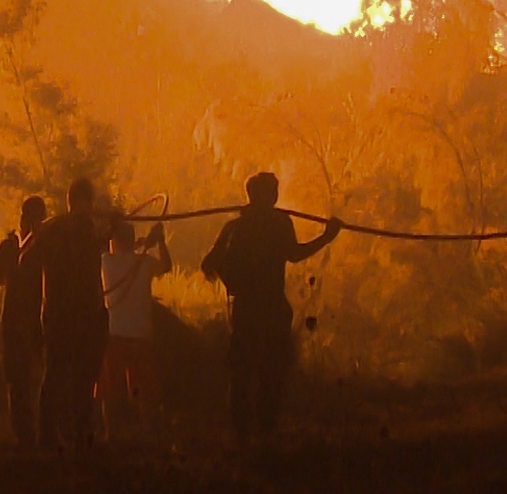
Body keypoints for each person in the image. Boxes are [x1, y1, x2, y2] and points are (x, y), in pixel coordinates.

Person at [201, 172, 342, 442]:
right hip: (273, 307)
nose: (276, 196)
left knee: (243, 370)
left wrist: (231, 280)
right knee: (271, 369)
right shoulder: (279, 223)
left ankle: (243, 430)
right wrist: (326, 237)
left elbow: (209, 264)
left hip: (245, 308)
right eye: (274, 191)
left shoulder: (235, 228)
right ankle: (266, 427)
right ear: (269, 196)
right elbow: (295, 254)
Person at [27, 178, 108, 448]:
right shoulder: (85, 226)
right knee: (84, 376)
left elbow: (28, 255)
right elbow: (96, 240)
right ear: (85, 202)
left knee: (55, 375)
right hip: (83, 315)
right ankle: (80, 432)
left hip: (53, 315)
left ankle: (47, 434)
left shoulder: (48, 229)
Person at [101, 219, 172, 439]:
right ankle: (149, 433)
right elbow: (166, 266)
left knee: (111, 389)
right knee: (145, 388)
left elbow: (101, 246)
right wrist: (158, 241)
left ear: (114, 241)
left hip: (115, 334)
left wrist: (143, 244)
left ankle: (111, 434)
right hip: (141, 334)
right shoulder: (144, 262)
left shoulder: (106, 261)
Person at [0, 196, 49, 447]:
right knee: (17, 379)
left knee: (39, 376)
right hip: (16, 322)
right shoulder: (10, 246)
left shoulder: (46, 246)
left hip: (37, 321)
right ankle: (22, 434)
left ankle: (39, 430)